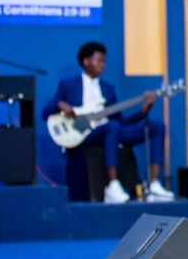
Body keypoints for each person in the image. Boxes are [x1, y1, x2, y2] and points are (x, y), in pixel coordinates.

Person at [42, 42, 172, 203]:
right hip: (85, 136)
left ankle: (154, 186)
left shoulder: (108, 89)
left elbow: (120, 121)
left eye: (104, 61)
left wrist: (144, 110)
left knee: (156, 126)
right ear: (86, 61)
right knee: (111, 127)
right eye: (99, 61)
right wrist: (61, 104)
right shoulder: (69, 85)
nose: (102, 65)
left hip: (111, 131)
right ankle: (112, 186)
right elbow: (46, 111)